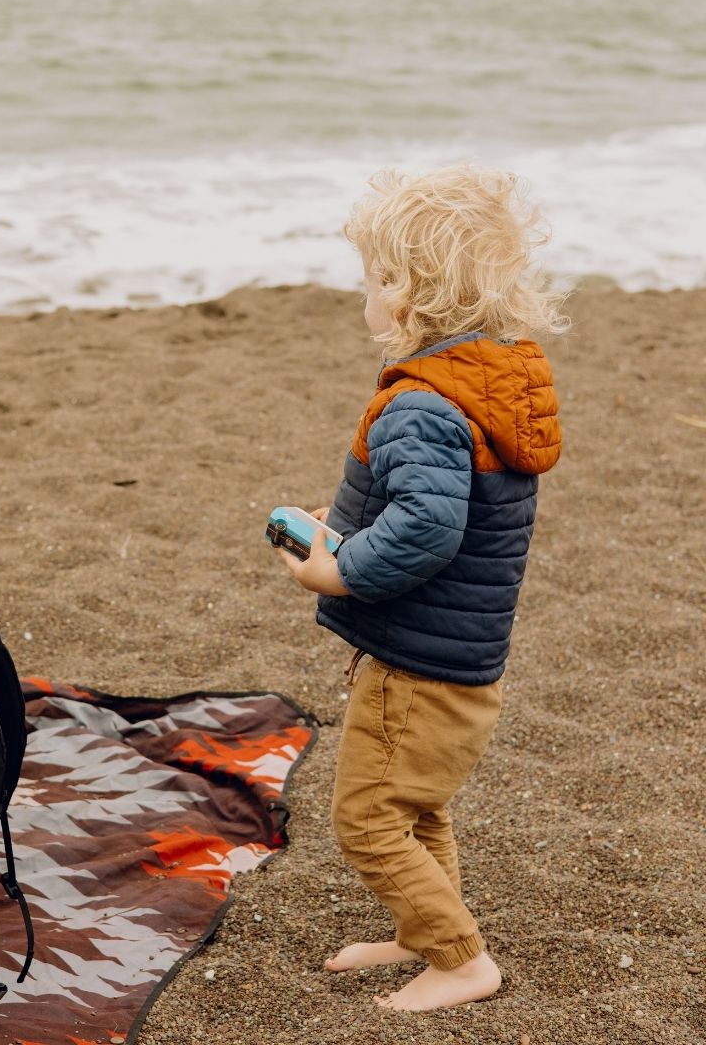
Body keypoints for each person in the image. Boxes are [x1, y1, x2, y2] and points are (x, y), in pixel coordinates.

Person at [278, 166, 566, 1011]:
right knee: (417, 803)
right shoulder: (490, 381)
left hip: (421, 666)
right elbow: (430, 505)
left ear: (408, 294)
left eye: (371, 280)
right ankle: (420, 930)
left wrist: (336, 567)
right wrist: (345, 520)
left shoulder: (424, 405)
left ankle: (460, 959)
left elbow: (430, 529)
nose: (365, 296)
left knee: (367, 820)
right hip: (458, 654)